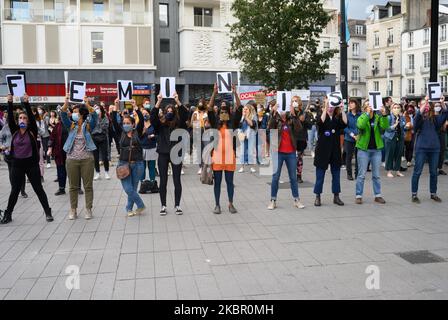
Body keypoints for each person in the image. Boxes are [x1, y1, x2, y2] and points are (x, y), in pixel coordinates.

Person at [1, 94, 53, 224]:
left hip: (31, 165)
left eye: (24, 118)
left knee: (38, 189)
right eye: (20, 118)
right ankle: (8, 214)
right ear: (18, 120)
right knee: (15, 190)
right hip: (17, 165)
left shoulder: (32, 131)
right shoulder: (14, 130)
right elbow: (11, 120)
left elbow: (30, 115)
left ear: (28, 120)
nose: (22, 119)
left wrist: (26, 103)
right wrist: (10, 101)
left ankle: (47, 212)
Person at [151, 92, 189, 215]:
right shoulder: (159, 125)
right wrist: (158, 101)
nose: (169, 112)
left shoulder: (179, 124)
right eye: (167, 110)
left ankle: (177, 205)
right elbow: (153, 118)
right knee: (163, 180)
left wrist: (177, 101)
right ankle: (163, 206)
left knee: (177, 180)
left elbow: (185, 114)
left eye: (171, 110)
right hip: (162, 154)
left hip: (176, 154)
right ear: (164, 112)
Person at [61, 94, 97, 220]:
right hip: (72, 160)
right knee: (73, 186)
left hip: (87, 159)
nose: (73, 114)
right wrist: (66, 104)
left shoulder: (88, 126)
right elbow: (63, 115)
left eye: (75, 112)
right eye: (72, 112)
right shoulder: (70, 126)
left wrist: (87, 104)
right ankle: (73, 209)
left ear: (81, 114)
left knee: (88, 186)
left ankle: (88, 209)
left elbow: (95, 116)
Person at [267, 99, 305, 210]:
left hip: (291, 152)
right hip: (277, 152)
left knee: (293, 177)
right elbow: (269, 128)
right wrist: (273, 114)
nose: (282, 111)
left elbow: (299, 128)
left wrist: (294, 115)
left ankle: (296, 200)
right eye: (279, 108)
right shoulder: (275, 119)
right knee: (275, 177)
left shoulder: (291, 118)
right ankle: (273, 200)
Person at [112, 99, 146, 217]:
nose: (125, 125)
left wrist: (135, 107)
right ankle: (140, 204)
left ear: (133, 124)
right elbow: (114, 121)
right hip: (123, 164)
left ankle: (129, 208)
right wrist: (116, 105)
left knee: (133, 188)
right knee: (128, 189)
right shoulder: (120, 133)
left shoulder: (138, 132)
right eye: (124, 123)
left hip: (138, 164)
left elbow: (141, 120)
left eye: (128, 123)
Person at [207, 83, 239, 214]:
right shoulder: (215, 123)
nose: (224, 112)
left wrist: (235, 92)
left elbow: (240, 107)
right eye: (222, 111)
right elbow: (209, 108)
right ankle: (217, 205)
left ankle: (231, 203)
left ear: (229, 112)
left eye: (226, 111)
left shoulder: (233, 123)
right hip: (218, 158)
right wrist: (214, 92)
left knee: (230, 182)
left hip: (230, 158)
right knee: (218, 183)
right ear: (219, 112)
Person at [411, 97, 447, 203]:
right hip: (421, 148)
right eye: (423, 104)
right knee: (417, 172)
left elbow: (445, 114)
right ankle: (414, 194)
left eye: (427, 104)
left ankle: (433, 193)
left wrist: (442, 103)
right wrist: (425, 103)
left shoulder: (435, 118)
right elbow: (417, 117)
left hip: (434, 148)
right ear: (419, 106)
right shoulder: (418, 118)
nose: (426, 105)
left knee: (433, 172)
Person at [313, 97, 348, 207]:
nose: (331, 107)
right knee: (320, 175)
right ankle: (317, 196)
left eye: (333, 105)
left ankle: (336, 196)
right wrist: (325, 108)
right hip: (322, 150)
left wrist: (342, 109)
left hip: (335, 150)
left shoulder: (337, 118)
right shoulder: (321, 115)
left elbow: (345, 123)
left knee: (336, 175)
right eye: (329, 105)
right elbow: (320, 122)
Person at [355, 101, 389, 204]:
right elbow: (360, 125)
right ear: (364, 107)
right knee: (361, 174)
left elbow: (385, 127)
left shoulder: (378, 117)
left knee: (376, 175)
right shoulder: (361, 117)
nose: (370, 106)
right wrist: (366, 114)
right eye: (367, 105)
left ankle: (377, 195)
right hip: (363, 150)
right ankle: (358, 195)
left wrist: (384, 115)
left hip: (376, 150)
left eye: (371, 105)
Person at [0, 109, 28, 199]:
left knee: (21, 172)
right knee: (11, 172)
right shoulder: (5, 127)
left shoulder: (21, 127)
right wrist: (2, 146)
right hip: (9, 154)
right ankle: (14, 189)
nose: (17, 120)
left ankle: (22, 191)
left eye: (17, 118)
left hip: (20, 154)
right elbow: (1, 138)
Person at [47, 111, 69, 196]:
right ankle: (61, 188)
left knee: (74, 171)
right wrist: (49, 148)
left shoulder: (72, 125)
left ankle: (77, 188)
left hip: (71, 152)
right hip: (59, 151)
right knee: (60, 170)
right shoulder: (58, 125)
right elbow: (52, 137)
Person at [384, 103, 406, 178]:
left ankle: (397, 170)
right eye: (394, 107)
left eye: (398, 107)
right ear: (391, 109)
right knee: (390, 154)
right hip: (390, 137)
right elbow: (386, 128)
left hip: (400, 137)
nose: (396, 109)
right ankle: (389, 171)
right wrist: (394, 125)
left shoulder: (402, 117)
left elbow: (403, 126)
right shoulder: (388, 117)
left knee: (398, 154)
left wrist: (405, 126)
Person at [139, 106, 158, 192]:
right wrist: (142, 133)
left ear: (149, 114)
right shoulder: (140, 124)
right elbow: (136, 136)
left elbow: (158, 134)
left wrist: (153, 136)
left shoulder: (154, 124)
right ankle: (142, 184)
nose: (145, 115)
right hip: (142, 148)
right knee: (142, 167)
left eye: (146, 113)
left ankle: (152, 183)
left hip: (152, 147)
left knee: (151, 166)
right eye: (143, 114)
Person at [292, 96, 310, 183]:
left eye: (296, 101)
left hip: (301, 138)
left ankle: (299, 175)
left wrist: (303, 121)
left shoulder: (304, 113)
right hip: (292, 139)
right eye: (293, 101)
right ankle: (292, 175)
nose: (294, 102)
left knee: (299, 158)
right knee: (291, 158)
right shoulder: (289, 113)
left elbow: (309, 125)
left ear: (299, 103)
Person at [344, 99, 361, 180]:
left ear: (356, 104)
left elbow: (362, 126)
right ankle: (349, 174)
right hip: (349, 139)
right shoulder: (347, 115)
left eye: (352, 103)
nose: (350, 105)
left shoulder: (361, 115)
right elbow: (345, 127)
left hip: (359, 138)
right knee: (349, 157)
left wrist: (358, 135)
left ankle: (357, 173)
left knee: (359, 157)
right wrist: (352, 135)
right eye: (349, 103)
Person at [92, 105, 110, 180]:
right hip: (94, 137)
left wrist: (99, 119)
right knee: (95, 157)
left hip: (103, 137)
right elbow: (91, 127)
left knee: (104, 156)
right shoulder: (92, 117)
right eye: (95, 108)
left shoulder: (104, 117)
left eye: (98, 108)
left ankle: (106, 172)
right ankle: (97, 172)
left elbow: (105, 127)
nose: (97, 110)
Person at [238, 103, 258, 173]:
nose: (244, 110)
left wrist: (246, 117)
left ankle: (252, 166)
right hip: (243, 135)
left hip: (251, 135)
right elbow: (240, 125)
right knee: (242, 151)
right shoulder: (242, 116)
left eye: (246, 109)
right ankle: (242, 167)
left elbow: (252, 124)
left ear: (249, 110)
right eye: (244, 109)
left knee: (250, 150)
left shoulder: (253, 116)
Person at [435, 98, 448, 175]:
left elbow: (446, 111)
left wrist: (442, 102)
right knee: (435, 152)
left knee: (442, 151)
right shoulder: (432, 115)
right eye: (436, 105)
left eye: (439, 105)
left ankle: (440, 168)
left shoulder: (443, 115)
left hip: (442, 134)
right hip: (434, 135)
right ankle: (434, 168)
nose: (437, 107)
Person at [403, 103, 415, 168]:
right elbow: (404, 125)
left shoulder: (415, 115)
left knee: (411, 147)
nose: (410, 110)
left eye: (411, 108)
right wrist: (410, 127)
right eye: (409, 108)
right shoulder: (405, 116)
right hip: (407, 134)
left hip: (413, 134)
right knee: (407, 148)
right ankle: (407, 160)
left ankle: (409, 161)